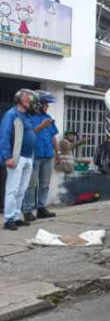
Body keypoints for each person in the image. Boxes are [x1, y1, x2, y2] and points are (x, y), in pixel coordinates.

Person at [1, 89, 37, 230]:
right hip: (16, 157)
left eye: (31, 100)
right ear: (19, 100)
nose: (30, 102)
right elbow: (4, 137)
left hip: (28, 157)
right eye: (27, 99)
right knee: (13, 189)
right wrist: (7, 157)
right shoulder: (11, 115)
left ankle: (16, 217)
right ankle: (9, 219)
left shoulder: (27, 116)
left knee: (22, 190)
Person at [22, 91, 59, 221]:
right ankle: (27, 210)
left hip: (48, 155)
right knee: (31, 184)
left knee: (45, 184)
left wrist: (57, 152)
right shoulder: (28, 118)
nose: (47, 107)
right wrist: (41, 126)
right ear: (38, 105)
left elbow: (53, 136)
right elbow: (28, 134)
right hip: (34, 155)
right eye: (46, 104)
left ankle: (41, 208)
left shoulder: (48, 117)